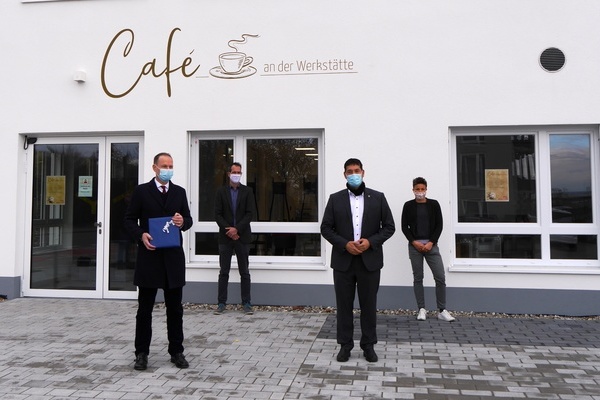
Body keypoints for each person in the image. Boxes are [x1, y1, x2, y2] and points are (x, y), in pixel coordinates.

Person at [320, 158, 395, 363]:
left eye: (357, 170)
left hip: (369, 261)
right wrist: (345, 244)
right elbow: (326, 228)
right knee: (344, 306)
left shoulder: (378, 198)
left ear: (363, 172)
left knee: (368, 306)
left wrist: (370, 242)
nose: (354, 174)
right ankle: (345, 345)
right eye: (349, 171)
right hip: (343, 261)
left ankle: (368, 345)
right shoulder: (335, 199)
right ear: (344, 174)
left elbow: (389, 227)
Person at [124, 152, 193, 371]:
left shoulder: (179, 192)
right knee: (145, 310)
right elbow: (128, 220)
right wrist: (141, 235)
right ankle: (141, 353)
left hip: (173, 260)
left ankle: (177, 351)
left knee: (175, 310)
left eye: (171, 166)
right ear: (155, 168)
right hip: (149, 258)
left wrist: (182, 221)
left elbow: (188, 220)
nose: (168, 169)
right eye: (164, 166)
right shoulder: (141, 191)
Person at [401, 177, 455, 322]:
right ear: (413, 190)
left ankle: (442, 310)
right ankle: (421, 309)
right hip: (415, 247)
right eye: (417, 189)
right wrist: (414, 242)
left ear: (426, 189)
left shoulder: (434, 204)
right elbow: (404, 227)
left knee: (440, 277)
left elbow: (439, 225)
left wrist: (431, 242)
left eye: (422, 189)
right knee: (418, 277)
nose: (420, 192)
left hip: (432, 246)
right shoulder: (408, 206)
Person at [214, 162, 256, 315]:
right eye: (234, 172)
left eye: (239, 172)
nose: (236, 174)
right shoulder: (221, 192)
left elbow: (250, 213)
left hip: (242, 237)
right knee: (223, 272)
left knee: (244, 272)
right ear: (228, 174)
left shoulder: (248, 191)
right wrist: (229, 230)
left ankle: (246, 303)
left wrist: (237, 229)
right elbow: (217, 214)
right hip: (225, 238)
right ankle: (221, 303)